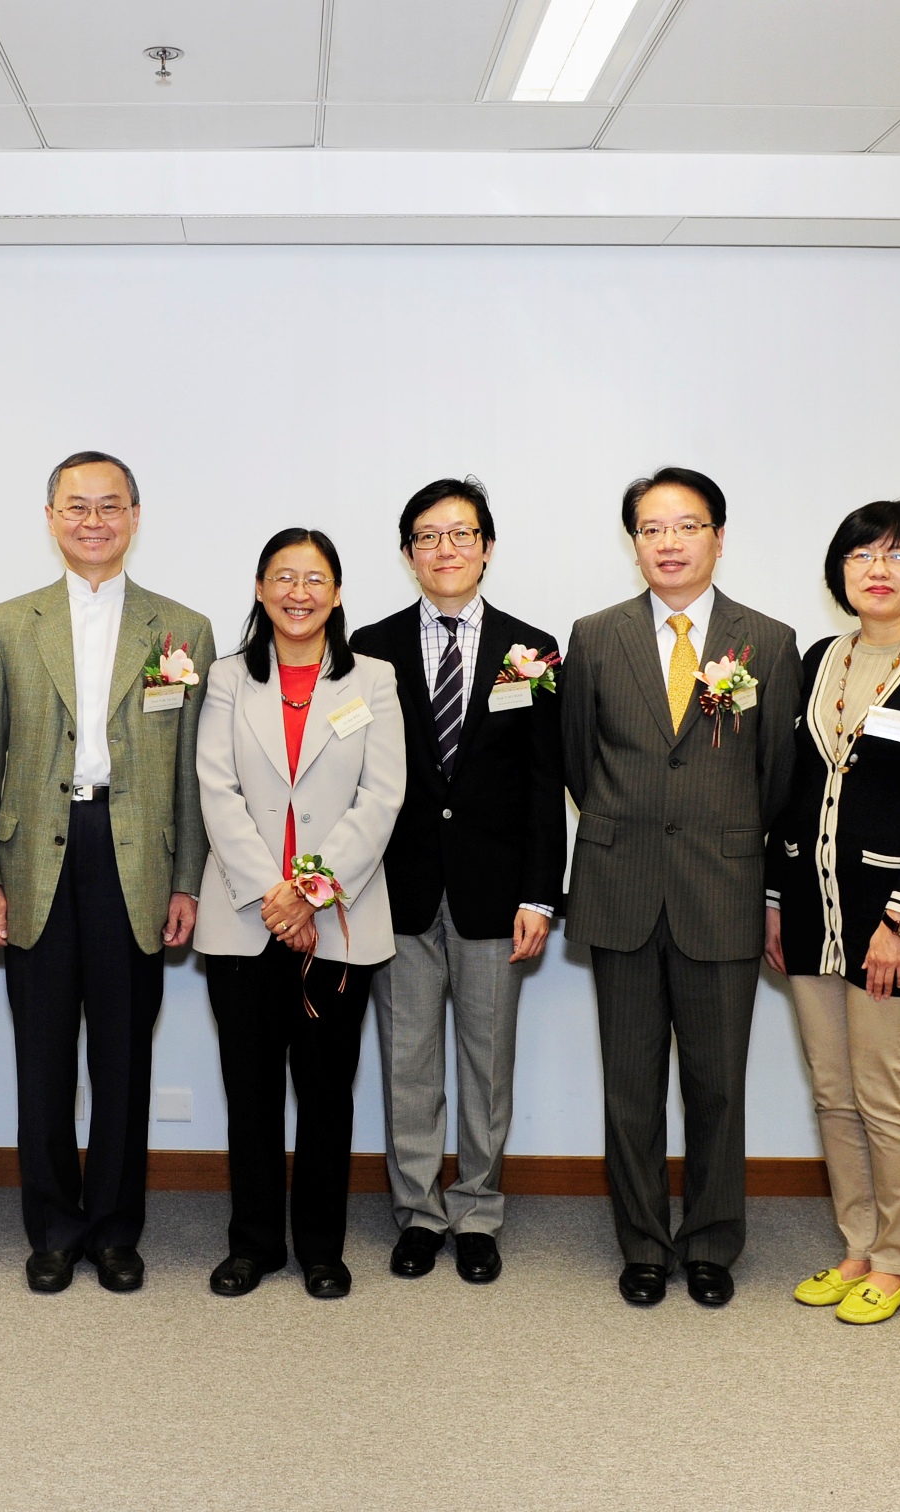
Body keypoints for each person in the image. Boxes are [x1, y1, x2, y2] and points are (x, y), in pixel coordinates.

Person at [0, 451, 213, 1294]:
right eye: (77, 507)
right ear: (51, 518)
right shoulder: (5, 623)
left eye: (111, 506)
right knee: (42, 1054)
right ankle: (53, 1225)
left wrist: (188, 880)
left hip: (134, 855)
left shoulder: (182, 629)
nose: (94, 521)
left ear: (136, 517)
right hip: (33, 852)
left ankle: (114, 1227)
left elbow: (188, 772)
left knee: (121, 1055)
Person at [561, 466, 800, 1310]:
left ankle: (710, 1240)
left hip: (721, 888)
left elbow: (775, 776)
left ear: (719, 537)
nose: (668, 543)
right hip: (621, 884)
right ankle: (642, 1243)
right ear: (634, 544)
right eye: (651, 529)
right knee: (629, 1086)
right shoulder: (594, 635)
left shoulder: (767, 641)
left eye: (686, 526)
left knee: (717, 1084)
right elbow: (578, 761)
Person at [764, 501, 900, 1325]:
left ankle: (896, 1260)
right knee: (831, 1091)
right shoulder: (823, 656)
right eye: (861, 555)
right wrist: (775, 899)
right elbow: (792, 791)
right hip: (814, 905)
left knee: (880, 1090)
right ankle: (856, 1245)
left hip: (894, 915)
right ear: (842, 571)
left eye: (896, 554)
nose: (878, 569)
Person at [348, 479, 562, 1285]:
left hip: (497, 898)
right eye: (428, 537)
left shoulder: (530, 647)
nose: (445, 549)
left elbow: (548, 784)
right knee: (408, 1064)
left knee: (486, 1062)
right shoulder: (368, 646)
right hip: (394, 892)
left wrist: (541, 895)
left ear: (487, 547)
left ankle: (476, 1212)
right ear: (408, 555)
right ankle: (418, 1214)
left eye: (461, 534)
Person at [197, 529, 405, 1300]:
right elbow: (216, 792)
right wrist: (273, 896)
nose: (299, 592)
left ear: (339, 593)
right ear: (259, 589)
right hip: (244, 919)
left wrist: (310, 891)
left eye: (315, 579)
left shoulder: (372, 680)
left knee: (325, 1092)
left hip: (339, 923)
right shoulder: (225, 680)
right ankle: (252, 1244)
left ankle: (322, 1245)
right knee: (248, 1090)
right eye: (283, 577)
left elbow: (381, 798)